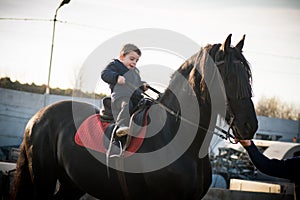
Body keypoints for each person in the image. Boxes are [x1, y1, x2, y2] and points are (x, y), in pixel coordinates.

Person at [101, 43, 148, 137]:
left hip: (135, 98)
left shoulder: (135, 72)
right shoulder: (115, 65)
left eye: (136, 60)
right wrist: (117, 77)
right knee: (126, 104)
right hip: (120, 97)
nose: (134, 62)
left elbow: (137, 83)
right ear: (122, 57)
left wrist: (142, 86)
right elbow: (105, 74)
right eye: (131, 59)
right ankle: (121, 125)